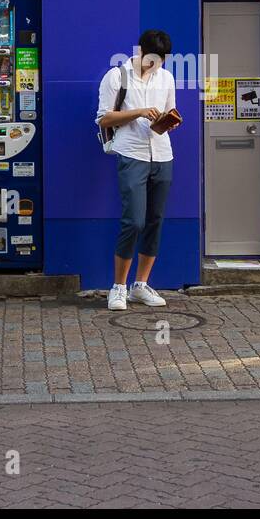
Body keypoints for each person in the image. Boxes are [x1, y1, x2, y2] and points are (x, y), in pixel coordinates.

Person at [95, 30, 176, 310]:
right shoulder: (117, 76)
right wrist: (140, 111)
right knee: (134, 221)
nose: (156, 66)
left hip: (162, 154)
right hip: (132, 153)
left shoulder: (166, 78)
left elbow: (169, 111)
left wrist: (170, 121)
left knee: (156, 220)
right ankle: (118, 287)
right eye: (152, 59)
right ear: (140, 51)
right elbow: (104, 118)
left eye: (161, 61)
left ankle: (140, 286)